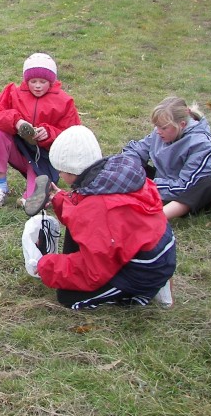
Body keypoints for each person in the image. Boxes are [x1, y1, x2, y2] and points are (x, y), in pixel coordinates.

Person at [31, 125, 176, 310]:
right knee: (77, 242)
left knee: (69, 297)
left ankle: (141, 294)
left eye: (62, 171)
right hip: (154, 245)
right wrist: (61, 200)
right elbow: (86, 208)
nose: (59, 174)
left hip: (143, 269)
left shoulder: (98, 208)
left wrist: (48, 266)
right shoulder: (112, 176)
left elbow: (94, 272)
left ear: (73, 171)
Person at [0, 52, 81, 208]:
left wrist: (49, 133)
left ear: (51, 81)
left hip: (43, 158)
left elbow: (74, 135)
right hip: (19, 151)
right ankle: (1, 187)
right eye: (33, 81)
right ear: (26, 79)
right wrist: (16, 121)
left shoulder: (64, 101)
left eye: (43, 81)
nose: (37, 86)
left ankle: (40, 191)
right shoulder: (12, 93)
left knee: (33, 201)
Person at [122, 97, 211, 220]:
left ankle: (157, 217)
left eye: (163, 128)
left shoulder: (202, 144)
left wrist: (143, 183)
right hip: (166, 181)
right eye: (157, 126)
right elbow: (136, 150)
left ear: (181, 125)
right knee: (124, 164)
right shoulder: (160, 132)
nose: (158, 131)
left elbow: (185, 185)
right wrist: (127, 168)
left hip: (192, 193)